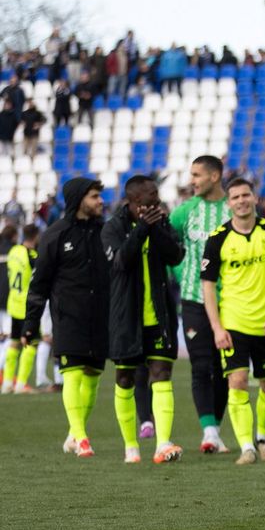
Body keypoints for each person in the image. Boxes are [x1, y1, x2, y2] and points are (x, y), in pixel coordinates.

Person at [24, 177, 109, 457]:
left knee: (93, 376)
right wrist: (30, 322)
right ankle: (83, 438)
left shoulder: (105, 231)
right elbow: (39, 283)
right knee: (72, 373)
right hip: (68, 315)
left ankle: (74, 434)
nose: (100, 201)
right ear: (79, 199)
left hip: (100, 316)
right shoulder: (55, 234)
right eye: (95, 196)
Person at [103, 175, 185, 464]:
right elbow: (121, 262)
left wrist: (155, 229)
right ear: (136, 202)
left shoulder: (159, 221)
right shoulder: (113, 227)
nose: (158, 200)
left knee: (162, 376)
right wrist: (141, 231)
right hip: (127, 319)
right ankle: (130, 446)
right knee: (124, 378)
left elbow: (176, 255)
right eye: (152, 196)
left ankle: (163, 443)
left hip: (159, 317)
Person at [199, 177, 265, 463]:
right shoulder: (218, 238)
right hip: (234, 323)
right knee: (238, 381)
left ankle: (263, 438)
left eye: (246, 195)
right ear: (229, 203)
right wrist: (217, 326)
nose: (241, 200)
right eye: (235, 197)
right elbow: (207, 285)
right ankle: (247, 447)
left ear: (255, 199)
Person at [169, 155, 232, 454]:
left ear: (215, 176)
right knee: (201, 366)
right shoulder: (185, 212)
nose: (192, 180)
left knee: (225, 369)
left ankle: (215, 430)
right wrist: (183, 273)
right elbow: (168, 250)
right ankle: (208, 431)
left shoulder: (233, 208)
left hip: (230, 301)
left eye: (197, 175)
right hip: (194, 299)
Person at [3, 223, 40, 393]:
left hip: (13, 303)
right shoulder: (32, 255)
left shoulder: (13, 251)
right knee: (31, 344)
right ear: (36, 236)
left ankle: (7, 383)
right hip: (27, 306)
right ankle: (21, 384)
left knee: (14, 343)